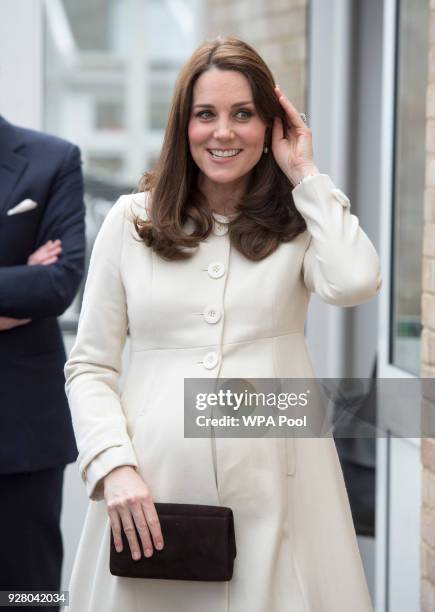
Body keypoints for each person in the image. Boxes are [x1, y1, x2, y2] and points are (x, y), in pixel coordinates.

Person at [65, 37, 381, 612]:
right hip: (153, 489)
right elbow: (90, 365)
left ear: (271, 127)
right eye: (205, 114)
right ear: (182, 126)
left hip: (281, 483)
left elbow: (356, 280)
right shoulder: (130, 222)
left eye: (244, 114)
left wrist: (305, 170)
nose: (224, 132)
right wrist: (114, 466)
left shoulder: (300, 221)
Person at [0, 115, 85, 606]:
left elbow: (57, 284)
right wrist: (14, 283)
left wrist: (32, 287)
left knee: (26, 597)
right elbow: (29, 288)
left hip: (21, 439)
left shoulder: (53, 159)